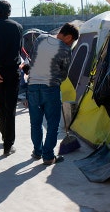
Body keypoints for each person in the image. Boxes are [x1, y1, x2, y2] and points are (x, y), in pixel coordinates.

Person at [26, 22, 79, 165]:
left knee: (35, 123)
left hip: (32, 87)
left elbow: (32, 58)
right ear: (68, 37)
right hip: (50, 88)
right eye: (72, 41)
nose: (71, 44)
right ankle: (48, 156)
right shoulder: (65, 49)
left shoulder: (40, 39)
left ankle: (37, 151)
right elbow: (64, 73)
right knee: (52, 123)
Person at [0, 0, 23, 156]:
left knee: (1, 104)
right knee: (11, 106)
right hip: (13, 70)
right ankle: (8, 143)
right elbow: (18, 50)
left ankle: (4, 135)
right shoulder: (18, 27)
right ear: (9, 11)